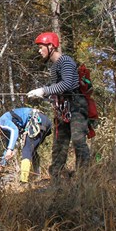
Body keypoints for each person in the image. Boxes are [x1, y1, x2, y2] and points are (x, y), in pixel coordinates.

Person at [27, 32, 90, 179]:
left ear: (51, 46)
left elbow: (67, 84)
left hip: (76, 106)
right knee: (59, 144)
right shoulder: (54, 67)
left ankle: (85, 176)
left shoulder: (66, 61)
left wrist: (44, 90)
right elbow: (57, 87)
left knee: (78, 140)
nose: (39, 50)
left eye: (41, 47)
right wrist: (42, 93)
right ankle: (55, 178)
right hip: (63, 108)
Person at [0, 108, 52, 183]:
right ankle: (37, 176)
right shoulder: (5, 131)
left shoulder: (2, 121)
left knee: (26, 150)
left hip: (38, 120)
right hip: (44, 121)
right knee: (31, 150)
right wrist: (2, 164)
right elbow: (8, 146)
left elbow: (14, 130)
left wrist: (10, 150)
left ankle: (23, 181)